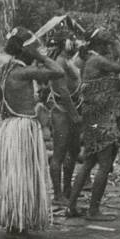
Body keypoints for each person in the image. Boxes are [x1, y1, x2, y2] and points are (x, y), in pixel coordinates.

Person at [0, 27, 66, 235]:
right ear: (27, 51)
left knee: (16, 177)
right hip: (22, 129)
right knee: (23, 176)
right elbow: (58, 71)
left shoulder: (3, 71)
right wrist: (39, 56)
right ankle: (19, 220)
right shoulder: (23, 71)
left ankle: (15, 219)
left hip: (9, 128)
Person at [66, 29, 120, 221]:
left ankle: (71, 206)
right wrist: (118, 45)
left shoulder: (88, 58)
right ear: (102, 44)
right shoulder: (97, 60)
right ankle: (93, 210)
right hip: (102, 118)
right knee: (104, 165)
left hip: (93, 117)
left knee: (89, 162)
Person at [41, 41, 82, 201]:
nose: (76, 43)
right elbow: (63, 91)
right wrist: (74, 115)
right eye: (71, 40)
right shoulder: (59, 62)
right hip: (62, 110)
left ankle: (67, 188)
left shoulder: (68, 60)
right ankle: (58, 194)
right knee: (60, 152)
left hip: (72, 108)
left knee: (73, 151)